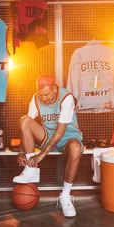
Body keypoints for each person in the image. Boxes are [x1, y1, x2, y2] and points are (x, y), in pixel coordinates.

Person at [13, 74, 84, 217]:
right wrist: (22, 151)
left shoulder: (66, 97)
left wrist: (41, 154)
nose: (43, 98)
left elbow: (60, 131)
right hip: (47, 136)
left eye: (46, 94)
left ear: (54, 88)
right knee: (24, 120)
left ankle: (65, 196)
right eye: (41, 95)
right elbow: (26, 126)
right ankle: (31, 170)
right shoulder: (35, 98)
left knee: (76, 148)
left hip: (68, 138)